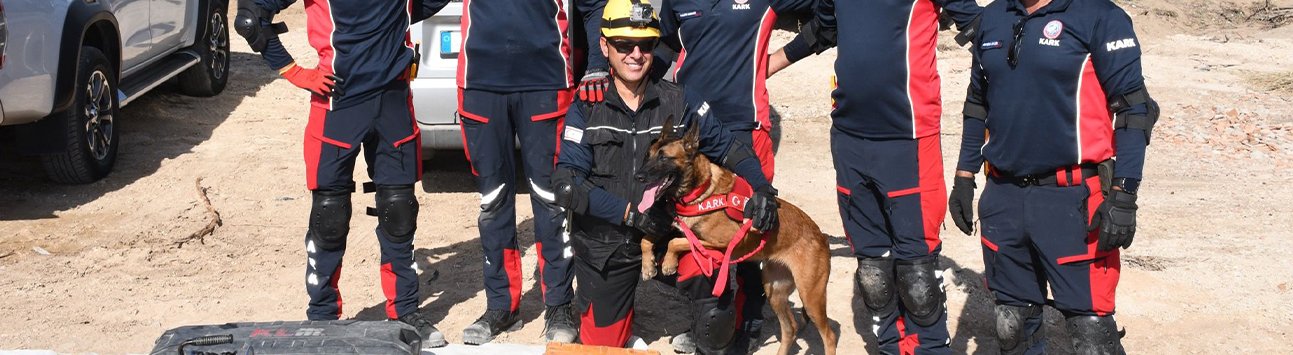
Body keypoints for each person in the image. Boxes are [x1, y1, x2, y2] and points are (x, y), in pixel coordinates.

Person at [551, 0, 779, 352]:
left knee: (715, 308)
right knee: (604, 346)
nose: (635, 54)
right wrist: (630, 214)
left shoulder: (680, 99)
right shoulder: (586, 105)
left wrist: (762, 187)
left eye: (646, 45)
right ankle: (622, 323)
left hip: (667, 230)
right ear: (604, 46)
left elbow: (730, 148)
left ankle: (708, 333)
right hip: (606, 243)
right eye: (624, 45)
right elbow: (567, 186)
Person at [766, 0, 981, 353]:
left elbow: (984, 29)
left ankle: (928, 348)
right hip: (849, 138)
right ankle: (890, 347)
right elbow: (825, 29)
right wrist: (771, 63)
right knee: (873, 269)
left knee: (917, 272)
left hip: (908, 138)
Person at [233, 0, 450, 347]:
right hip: (338, 103)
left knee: (399, 211)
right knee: (329, 216)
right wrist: (295, 72)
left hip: (393, 100)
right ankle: (322, 315)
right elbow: (249, 19)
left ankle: (405, 312)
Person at [947, 0, 1157, 353]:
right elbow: (977, 103)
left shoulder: (1101, 17)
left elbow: (1134, 110)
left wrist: (1124, 194)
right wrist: (964, 175)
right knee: (1012, 326)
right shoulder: (994, 18)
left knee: (1093, 335)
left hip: (1073, 200)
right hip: (1004, 195)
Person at [452, 0, 586, 345]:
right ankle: (501, 306)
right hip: (480, 82)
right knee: (493, 201)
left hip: (545, 78)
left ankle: (558, 304)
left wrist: (597, 65)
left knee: (553, 199)